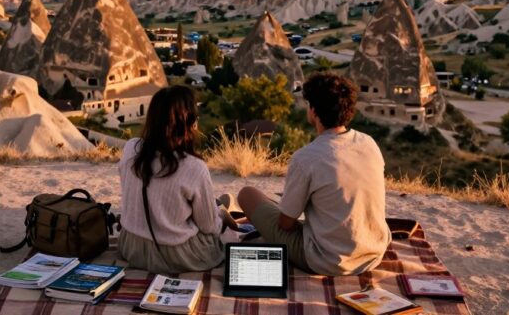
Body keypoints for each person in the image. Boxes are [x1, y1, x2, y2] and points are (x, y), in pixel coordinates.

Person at [237, 73, 390, 276]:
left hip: (328, 260)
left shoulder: (306, 158)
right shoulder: (369, 143)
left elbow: (285, 224)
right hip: (373, 252)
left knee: (247, 194)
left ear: (314, 110)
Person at [118, 85, 227, 273]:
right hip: (175, 255)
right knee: (222, 217)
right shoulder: (194, 167)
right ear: (192, 123)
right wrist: (222, 219)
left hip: (132, 247)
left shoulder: (131, 148)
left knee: (215, 204)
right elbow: (208, 226)